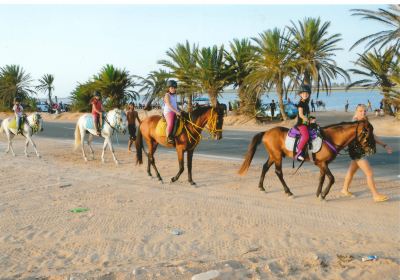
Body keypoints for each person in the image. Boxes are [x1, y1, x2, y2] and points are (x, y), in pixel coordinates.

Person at [341, 104, 392, 202]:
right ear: (356, 111)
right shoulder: (355, 123)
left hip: (359, 151)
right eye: (360, 111)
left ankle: (344, 189)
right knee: (369, 173)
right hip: (357, 152)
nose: (363, 112)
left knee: (351, 171)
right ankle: (375, 195)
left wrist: (384, 145)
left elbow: (371, 135)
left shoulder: (364, 121)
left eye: (364, 111)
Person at [295, 84, 312, 161]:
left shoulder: (306, 103)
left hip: (306, 123)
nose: (305, 94)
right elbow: (301, 115)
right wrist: (307, 120)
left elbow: (307, 114)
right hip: (301, 124)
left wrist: (311, 119)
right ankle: (298, 153)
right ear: (300, 94)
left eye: (307, 93)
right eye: (303, 93)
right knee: (306, 136)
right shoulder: (300, 104)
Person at [163, 80, 180, 144]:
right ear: (168, 88)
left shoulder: (174, 96)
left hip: (175, 111)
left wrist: (180, 110)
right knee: (170, 123)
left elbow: (176, 105)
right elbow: (169, 105)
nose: (173, 89)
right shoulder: (167, 95)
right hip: (169, 112)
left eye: (174, 88)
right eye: (172, 88)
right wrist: (177, 112)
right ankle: (169, 138)